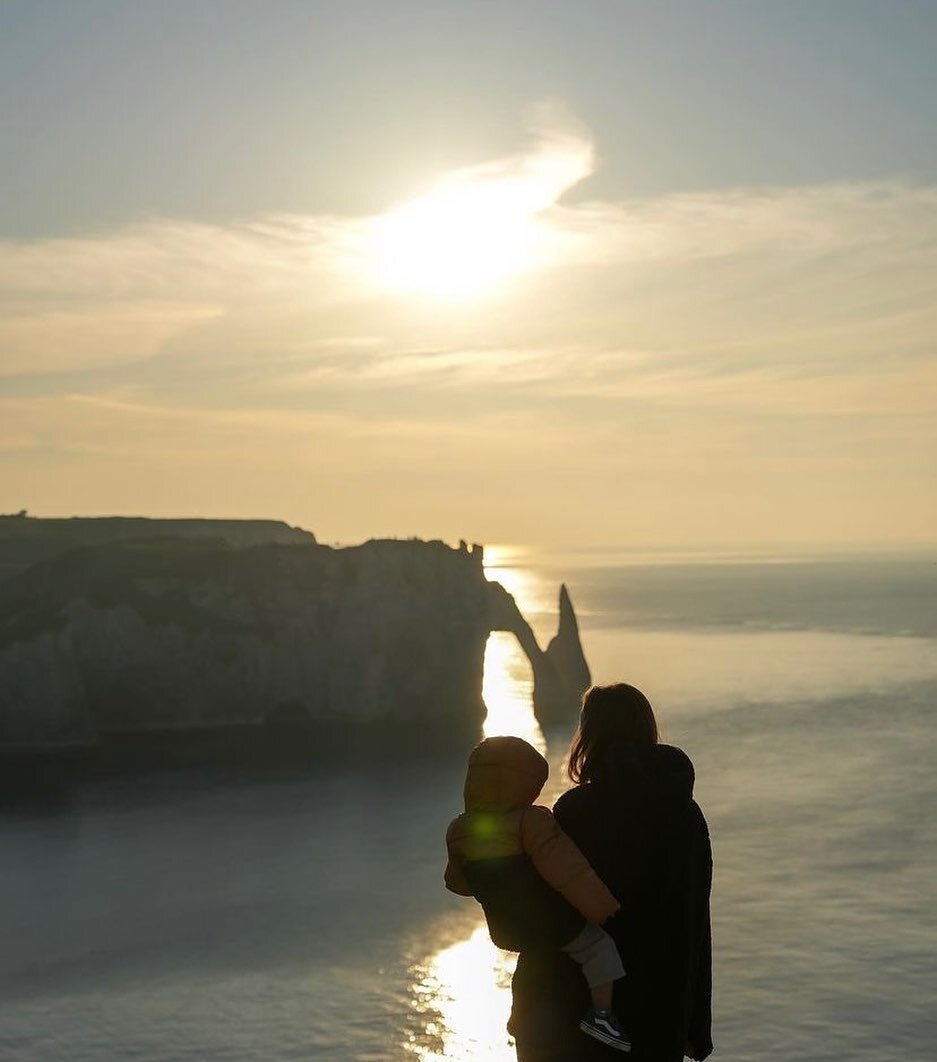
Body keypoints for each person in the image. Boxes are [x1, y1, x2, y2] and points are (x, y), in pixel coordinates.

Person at [509, 684, 714, 1062]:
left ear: (591, 736)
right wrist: (696, 1028)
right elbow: (696, 922)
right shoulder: (687, 816)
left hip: (580, 1018)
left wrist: (527, 1013)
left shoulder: (578, 812)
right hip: (659, 1020)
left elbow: (554, 920)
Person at [445, 735, 632, 1052]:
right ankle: (601, 1016)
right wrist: (603, 909)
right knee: (600, 949)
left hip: (508, 932)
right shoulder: (530, 822)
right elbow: (569, 873)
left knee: (538, 966)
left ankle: (522, 1018)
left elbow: (458, 883)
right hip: (550, 925)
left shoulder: (460, 829)